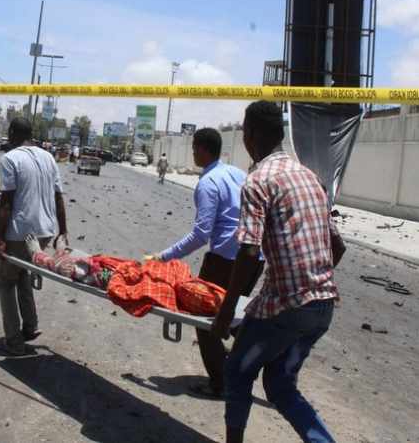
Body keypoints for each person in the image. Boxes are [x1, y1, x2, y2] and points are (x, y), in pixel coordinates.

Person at [212, 101, 346, 443]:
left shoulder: (259, 181)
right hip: (323, 305)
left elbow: (249, 250)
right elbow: (338, 248)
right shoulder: (311, 177)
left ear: (251, 134)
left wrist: (227, 310)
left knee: (237, 370)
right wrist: (312, 276)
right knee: (280, 385)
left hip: (288, 305)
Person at [144, 128, 263, 398]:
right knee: (233, 313)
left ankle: (221, 383)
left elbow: (201, 234)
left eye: (195, 148)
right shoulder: (236, 173)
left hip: (225, 261)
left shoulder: (208, 183)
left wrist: (163, 257)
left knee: (206, 320)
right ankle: (253, 353)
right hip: (253, 258)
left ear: (202, 149)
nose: (194, 152)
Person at [0, 117, 68, 356]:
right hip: (45, 231)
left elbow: (6, 203)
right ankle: (31, 326)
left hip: (20, 232)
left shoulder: (10, 158)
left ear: (13, 133)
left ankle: (14, 341)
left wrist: (0, 240)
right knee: (23, 271)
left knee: (6, 281)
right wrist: (63, 231)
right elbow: (58, 197)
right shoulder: (48, 157)